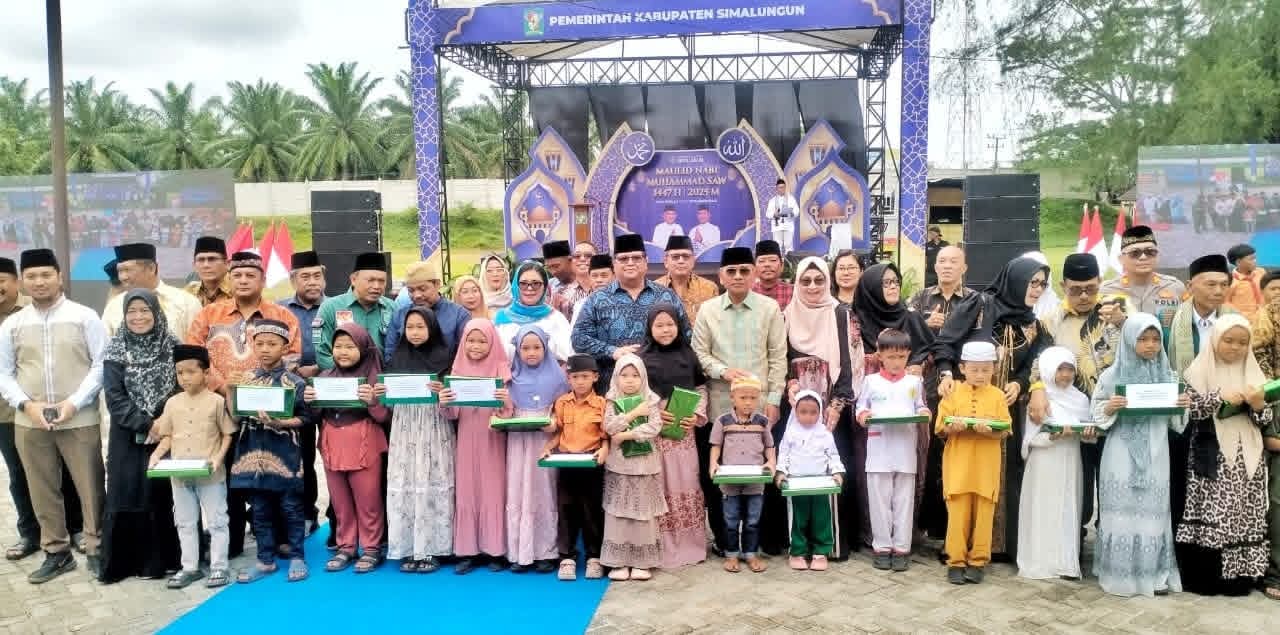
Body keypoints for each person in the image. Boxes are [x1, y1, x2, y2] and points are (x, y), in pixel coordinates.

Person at [0, 249, 107, 584]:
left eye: (46, 274)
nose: (39, 282)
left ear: (60, 277)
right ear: (23, 281)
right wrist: (26, 405)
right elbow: (4, 372)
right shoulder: (14, 324)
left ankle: (97, 547)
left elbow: (101, 364)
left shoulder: (84, 316)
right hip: (30, 420)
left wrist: (74, 403)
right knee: (41, 487)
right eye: (31, 276)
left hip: (79, 417)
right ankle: (56, 552)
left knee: (90, 486)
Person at [935, 257, 1053, 561]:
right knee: (964, 477)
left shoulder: (1033, 324)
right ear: (1016, 280)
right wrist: (946, 374)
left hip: (1004, 406)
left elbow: (1036, 361)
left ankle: (995, 546)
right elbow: (946, 342)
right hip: (967, 402)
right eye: (1033, 282)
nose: (1037, 289)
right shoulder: (979, 306)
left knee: (1003, 472)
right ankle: (957, 547)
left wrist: (1020, 383)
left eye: (1042, 284)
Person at [185, 251, 301, 557]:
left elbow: (293, 357)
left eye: (251, 275)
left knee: (273, 472)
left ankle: (278, 540)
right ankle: (232, 541)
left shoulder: (282, 315)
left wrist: (256, 390)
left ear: (263, 280)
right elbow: (194, 357)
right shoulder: (209, 315)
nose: (243, 280)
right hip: (219, 407)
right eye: (237, 275)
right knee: (227, 477)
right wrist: (226, 388)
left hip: (269, 412)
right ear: (229, 279)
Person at [692, 247, 787, 555]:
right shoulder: (708, 310)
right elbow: (698, 354)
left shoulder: (769, 308)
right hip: (721, 407)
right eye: (731, 271)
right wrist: (723, 371)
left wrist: (774, 399)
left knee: (761, 471)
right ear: (721, 276)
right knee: (720, 475)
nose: (737, 276)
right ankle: (724, 540)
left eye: (744, 270)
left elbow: (778, 357)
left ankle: (759, 540)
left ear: (753, 273)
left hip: (760, 409)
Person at [1026, 253, 1124, 545]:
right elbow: (1038, 362)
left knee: (1112, 481)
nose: (1083, 296)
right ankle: (1073, 542)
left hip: (1114, 413)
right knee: (1078, 482)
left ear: (1101, 282)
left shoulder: (1118, 313)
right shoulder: (1050, 321)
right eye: (1075, 290)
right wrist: (1036, 390)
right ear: (1062, 286)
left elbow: (1141, 347)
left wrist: (1122, 323)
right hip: (1073, 415)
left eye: (1091, 289)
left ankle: (1110, 543)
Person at [1090, 313, 1189, 597]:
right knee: (1121, 514)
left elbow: (1177, 424)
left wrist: (1182, 405)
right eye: (1143, 339)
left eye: (1156, 339)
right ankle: (1119, 575)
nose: (1150, 345)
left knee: (1153, 514)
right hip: (1120, 453)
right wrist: (1110, 407)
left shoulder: (1168, 376)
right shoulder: (1112, 376)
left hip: (1157, 453)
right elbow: (1096, 414)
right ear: (1129, 340)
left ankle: (1154, 576)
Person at [777, 256, 866, 559]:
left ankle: (833, 545)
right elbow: (781, 357)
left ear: (827, 282)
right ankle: (800, 544)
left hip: (831, 409)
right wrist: (789, 384)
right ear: (797, 284)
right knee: (800, 468)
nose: (812, 286)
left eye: (818, 280)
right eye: (805, 280)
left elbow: (852, 363)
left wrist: (837, 405)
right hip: (797, 408)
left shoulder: (841, 314)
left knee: (832, 470)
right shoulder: (787, 316)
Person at [1176, 315, 1272, 596]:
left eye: (1242, 342)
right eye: (1228, 340)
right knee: (1213, 511)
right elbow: (1189, 412)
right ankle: (1207, 577)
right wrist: (1218, 397)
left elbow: (1265, 419)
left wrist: (1258, 405)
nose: (1235, 347)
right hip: (1212, 454)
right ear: (1215, 340)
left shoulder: (1254, 373)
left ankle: (1240, 578)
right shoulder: (1198, 371)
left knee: (1243, 511)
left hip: (1247, 455)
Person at [99, 290, 181, 584]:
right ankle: (125, 564)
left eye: (145, 310)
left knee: (161, 495)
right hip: (126, 435)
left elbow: (181, 386)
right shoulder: (116, 349)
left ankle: (163, 561)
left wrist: (161, 423)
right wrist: (146, 424)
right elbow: (114, 397)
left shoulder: (172, 345)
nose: (138, 317)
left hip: (166, 433)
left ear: (156, 312)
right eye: (131, 311)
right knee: (127, 493)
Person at [228, 319, 311, 584]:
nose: (265, 349)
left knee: (291, 507)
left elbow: (306, 417)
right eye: (260, 343)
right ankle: (265, 560)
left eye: (272, 344)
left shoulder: (295, 382)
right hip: (252, 453)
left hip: (284, 453)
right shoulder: (246, 379)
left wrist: (280, 423)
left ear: (285, 348)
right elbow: (235, 417)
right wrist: (230, 389)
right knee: (259, 510)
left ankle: (297, 556)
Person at [148, 344, 236, 589]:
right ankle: (190, 567)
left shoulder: (216, 402)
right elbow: (167, 435)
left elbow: (227, 434)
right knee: (185, 521)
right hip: (179, 475)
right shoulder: (172, 403)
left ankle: (219, 567)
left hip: (211, 475)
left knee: (217, 521)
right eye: (180, 373)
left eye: (191, 372)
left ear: (206, 373)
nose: (185, 378)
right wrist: (156, 455)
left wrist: (218, 458)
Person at [306, 324, 389, 575]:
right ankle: (347, 546)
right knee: (340, 500)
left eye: (350, 346)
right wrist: (311, 401)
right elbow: (315, 416)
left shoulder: (374, 378)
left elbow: (385, 416)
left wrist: (372, 400)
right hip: (332, 442)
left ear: (363, 348)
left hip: (364, 441)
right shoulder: (325, 377)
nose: (343, 352)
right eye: (338, 346)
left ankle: (372, 547)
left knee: (368, 499)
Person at [380, 307, 454, 574]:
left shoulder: (446, 358)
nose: (414, 333)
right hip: (405, 428)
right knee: (406, 481)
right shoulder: (397, 358)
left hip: (434, 427)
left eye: (421, 327)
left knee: (433, 481)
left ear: (432, 328)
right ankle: (409, 547)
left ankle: (432, 548)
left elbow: (454, 397)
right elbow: (387, 401)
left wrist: (444, 390)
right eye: (409, 327)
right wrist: (383, 392)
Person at [908, 244, 973, 538]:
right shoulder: (919, 298)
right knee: (928, 454)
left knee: (957, 453)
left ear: (964, 268)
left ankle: (955, 523)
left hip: (960, 385)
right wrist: (925, 324)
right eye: (942, 261)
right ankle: (927, 522)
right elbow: (903, 335)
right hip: (925, 389)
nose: (947, 266)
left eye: (953, 261)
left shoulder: (973, 301)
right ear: (934, 267)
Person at [439, 319, 513, 574]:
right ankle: (467, 550)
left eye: (482, 341)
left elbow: (507, 416)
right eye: (471, 340)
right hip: (467, 438)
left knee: (493, 490)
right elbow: (451, 415)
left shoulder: (501, 371)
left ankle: (495, 549)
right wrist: (445, 401)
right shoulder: (457, 370)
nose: (476, 346)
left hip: (493, 440)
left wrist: (505, 402)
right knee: (467, 490)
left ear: (492, 343)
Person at [936, 340, 1013, 585]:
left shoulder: (998, 396)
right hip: (958, 465)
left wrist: (989, 431)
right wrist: (954, 427)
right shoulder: (952, 392)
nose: (980, 375)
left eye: (986, 369)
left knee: (984, 515)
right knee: (957, 514)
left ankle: (978, 562)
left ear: (994, 370)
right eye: (975, 369)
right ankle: (956, 561)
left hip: (986, 467)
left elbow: (1004, 430)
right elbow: (941, 427)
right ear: (962, 368)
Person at [639, 304, 708, 569]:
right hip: (655, 435)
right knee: (660, 484)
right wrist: (655, 413)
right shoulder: (641, 359)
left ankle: (689, 545)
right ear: (650, 328)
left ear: (678, 326)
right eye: (659, 325)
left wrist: (696, 415)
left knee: (685, 481)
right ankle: (659, 546)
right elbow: (634, 394)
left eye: (670, 324)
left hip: (683, 435)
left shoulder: (688, 355)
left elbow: (700, 388)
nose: (665, 330)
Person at [855, 329, 930, 572]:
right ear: (880, 356)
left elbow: (920, 406)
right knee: (879, 501)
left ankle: (901, 548)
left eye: (901, 357)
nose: (896, 362)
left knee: (904, 501)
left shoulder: (914, 382)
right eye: (891, 357)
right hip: (879, 450)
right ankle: (882, 547)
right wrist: (864, 416)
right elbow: (860, 407)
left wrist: (924, 413)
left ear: (908, 355)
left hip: (905, 449)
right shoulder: (871, 381)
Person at [572, 234, 687, 391]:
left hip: (660, 386)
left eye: (636, 258)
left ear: (646, 261)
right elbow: (578, 339)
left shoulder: (666, 296)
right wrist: (612, 351)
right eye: (624, 259)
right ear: (614, 264)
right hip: (611, 389)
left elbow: (686, 337)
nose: (630, 263)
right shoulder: (597, 299)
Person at [1017, 347, 1093, 581]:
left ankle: (1065, 563)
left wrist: (1088, 433)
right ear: (1049, 369)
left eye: (1070, 369)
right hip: (1044, 462)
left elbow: (1088, 434)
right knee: (1044, 508)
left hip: (1070, 460)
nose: (1066, 375)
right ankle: (1041, 562)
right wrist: (1052, 437)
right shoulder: (1039, 399)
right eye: (1060, 369)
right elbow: (1030, 440)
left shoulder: (1080, 399)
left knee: (1067, 506)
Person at [599, 354, 665, 581]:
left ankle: (641, 562)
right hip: (619, 465)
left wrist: (625, 435)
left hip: (645, 464)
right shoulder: (611, 400)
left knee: (642, 513)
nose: (629, 380)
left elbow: (654, 427)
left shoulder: (650, 400)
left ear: (643, 377)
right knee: (619, 512)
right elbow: (610, 426)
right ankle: (618, 562)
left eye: (635, 375)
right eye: (624, 375)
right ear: (616, 377)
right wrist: (634, 414)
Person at [543, 354, 609, 582]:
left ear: (595, 377)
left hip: (592, 464)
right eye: (575, 377)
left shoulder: (602, 404)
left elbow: (605, 435)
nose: (580, 381)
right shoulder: (562, 403)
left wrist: (604, 449)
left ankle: (594, 557)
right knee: (566, 509)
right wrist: (548, 448)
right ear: (568, 378)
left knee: (592, 510)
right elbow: (559, 433)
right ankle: (567, 557)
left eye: (585, 376)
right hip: (566, 463)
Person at [505, 325, 564, 573]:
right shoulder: (510, 377)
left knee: (544, 491)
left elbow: (563, 410)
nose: (531, 352)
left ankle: (545, 552)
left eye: (537, 347)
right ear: (517, 350)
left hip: (544, 442)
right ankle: (519, 552)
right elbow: (504, 412)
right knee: (517, 489)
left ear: (545, 348)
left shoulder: (558, 378)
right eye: (525, 348)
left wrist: (554, 422)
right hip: (518, 441)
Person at [277, 250, 328, 533]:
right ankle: (306, 514)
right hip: (295, 394)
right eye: (305, 276)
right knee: (302, 457)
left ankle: (338, 517)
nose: (312, 282)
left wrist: (318, 368)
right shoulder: (280, 309)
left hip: (331, 391)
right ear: (293, 279)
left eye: (317, 276)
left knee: (334, 456)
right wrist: (295, 370)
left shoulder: (336, 307)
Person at [708, 375, 775, 574]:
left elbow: (769, 446)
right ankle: (731, 555)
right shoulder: (723, 421)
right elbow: (716, 445)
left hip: (755, 482)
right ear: (732, 397)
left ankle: (751, 554)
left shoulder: (763, 421)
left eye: (753, 398)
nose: (748, 402)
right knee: (730, 520)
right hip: (730, 482)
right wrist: (713, 463)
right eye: (743, 397)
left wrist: (771, 462)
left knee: (753, 520)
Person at [776, 390, 845, 571]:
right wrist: (781, 473)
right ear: (796, 412)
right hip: (796, 484)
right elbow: (783, 454)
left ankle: (821, 552)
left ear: (820, 412)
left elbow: (833, 455)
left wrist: (837, 472)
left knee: (821, 517)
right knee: (798, 518)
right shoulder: (790, 432)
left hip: (821, 483)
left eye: (813, 412)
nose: (808, 417)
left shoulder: (825, 433)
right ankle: (797, 552)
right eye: (803, 412)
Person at [316, 252, 397, 370]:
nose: (376, 286)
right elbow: (322, 355)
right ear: (353, 279)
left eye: (381, 281)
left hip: (383, 377)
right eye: (370, 280)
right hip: (344, 378)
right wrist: (354, 374)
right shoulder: (330, 308)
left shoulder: (392, 308)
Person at [102, 242, 201, 338]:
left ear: (151, 268)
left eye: (127, 270)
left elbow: (196, 344)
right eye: (120, 271)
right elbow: (105, 345)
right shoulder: (114, 306)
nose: (123, 277)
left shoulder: (186, 302)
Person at [388, 261, 470, 363]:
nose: (417, 295)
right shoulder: (400, 315)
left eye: (422, 289)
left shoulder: (459, 315)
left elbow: (466, 356)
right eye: (411, 290)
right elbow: (390, 354)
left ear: (437, 284)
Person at [494, 261, 574, 363]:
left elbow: (568, 354)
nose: (529, 288)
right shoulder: (501, 319)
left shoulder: (555, 318)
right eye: (523, 284)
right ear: (516, 286)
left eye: (536, 283)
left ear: (545, 287)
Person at [1099, 225, 1186, 316]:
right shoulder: (1107, 290)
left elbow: (1187, 321)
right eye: (1135, 253)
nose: (1143, 257)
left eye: (1150, 252)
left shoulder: (1175, 287)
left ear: (1157, 256)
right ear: (1121, 259)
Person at [654, 235, 719, 325]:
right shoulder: (654, 289)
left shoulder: (709, 288)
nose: (681, 261)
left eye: (686, 256)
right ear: (666, 262)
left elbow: (714, 324)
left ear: (693, 261)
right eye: (675, 257)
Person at [184, 236, 232, 307]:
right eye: (201, 260)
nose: (206, 265)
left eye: (212, 259)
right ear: (194, 266)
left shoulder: (239, 289)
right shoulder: (188, 292)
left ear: (227, 264)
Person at [570, 255, 615, 327]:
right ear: (589, 278)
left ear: (614, 276)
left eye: (604, 276)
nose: (599, 280)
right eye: (594, 276)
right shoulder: (581, 305)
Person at [551, 242, 593, 321]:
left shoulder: (609, 289)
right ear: (571, 261)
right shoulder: (560, 293)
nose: (582, 259)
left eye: (588, 256)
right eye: (577, 256)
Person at [1226, 243, 1265, 321]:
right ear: (1238, 262)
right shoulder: (1230, 281)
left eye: (1255, 258)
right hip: (1244, 321)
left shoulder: (1261, 272)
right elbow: (1226, 303)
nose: (1255, 261)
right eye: (1251, 259)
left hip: (1264, 318)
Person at [751, 240, 793, 311]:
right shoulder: (747, 293)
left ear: (782, 265)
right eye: (761, 261)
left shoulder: (793, 292)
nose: (767, 264)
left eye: (773, 260)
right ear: (755, 267)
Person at [1022, 251, 1061, 320]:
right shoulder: (1008, 309)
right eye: (1034, 282)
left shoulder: (1055, 307)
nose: (1039, 289)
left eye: (1043, 284)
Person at [765, 179, 799, 255]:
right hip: (777, 226)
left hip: (788, 225)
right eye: (780, 187)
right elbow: (767, 214)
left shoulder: (791, 199)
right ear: (776, 188)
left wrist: (790, 213)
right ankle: (778, 261)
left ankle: (789, 261)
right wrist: (774, 214)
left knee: (788, 245)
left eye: (783, 187)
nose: (782, 189)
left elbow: (797, 211)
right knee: (777, 246)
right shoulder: (772, 201)